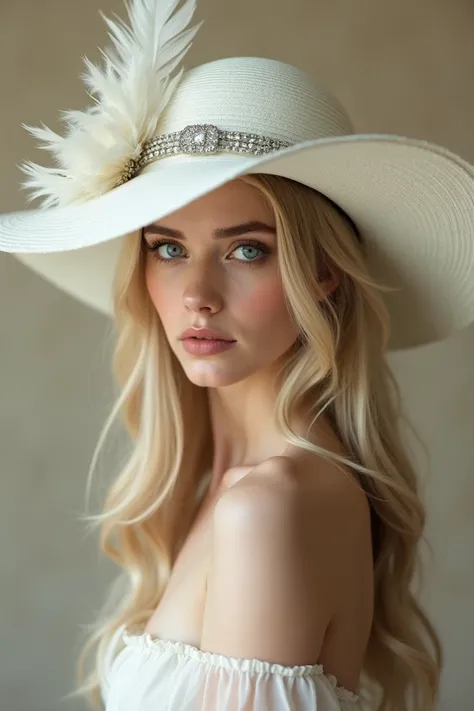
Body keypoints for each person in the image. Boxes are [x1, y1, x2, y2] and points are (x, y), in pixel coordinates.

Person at [1, 0, 474, 709]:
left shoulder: (268, 507)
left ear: (323, 273)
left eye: (247, 249)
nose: (197, 293)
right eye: (168, 248)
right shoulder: (233, 490)